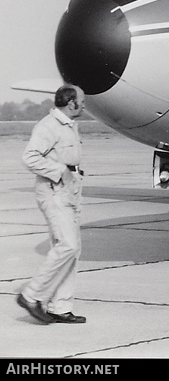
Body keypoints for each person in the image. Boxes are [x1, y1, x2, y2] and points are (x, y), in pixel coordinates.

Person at [17, 85, 88, 324]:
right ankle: (31, 294)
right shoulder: (48, 126)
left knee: (73, 249)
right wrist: (60, 171)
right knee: (66, 245)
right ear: (71, 103)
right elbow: (30, 157)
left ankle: (60, 307)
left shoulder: (68, 124)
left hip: (69, 191)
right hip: (53, 191)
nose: (84, 105)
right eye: (82, 101)